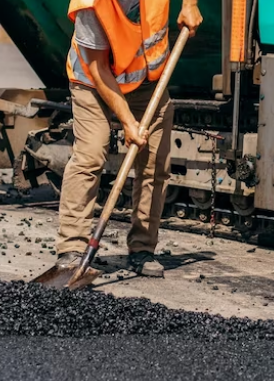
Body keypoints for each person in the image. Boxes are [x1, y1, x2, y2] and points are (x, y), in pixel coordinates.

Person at [55, 0, 202, 278]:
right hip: (92, 81)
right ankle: (72, 251)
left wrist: (190, 5)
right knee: (90, 155)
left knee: (155, 165)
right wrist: (128, 122)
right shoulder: (91, 5)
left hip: (148, 83)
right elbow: (97, 68)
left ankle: (142, 250)